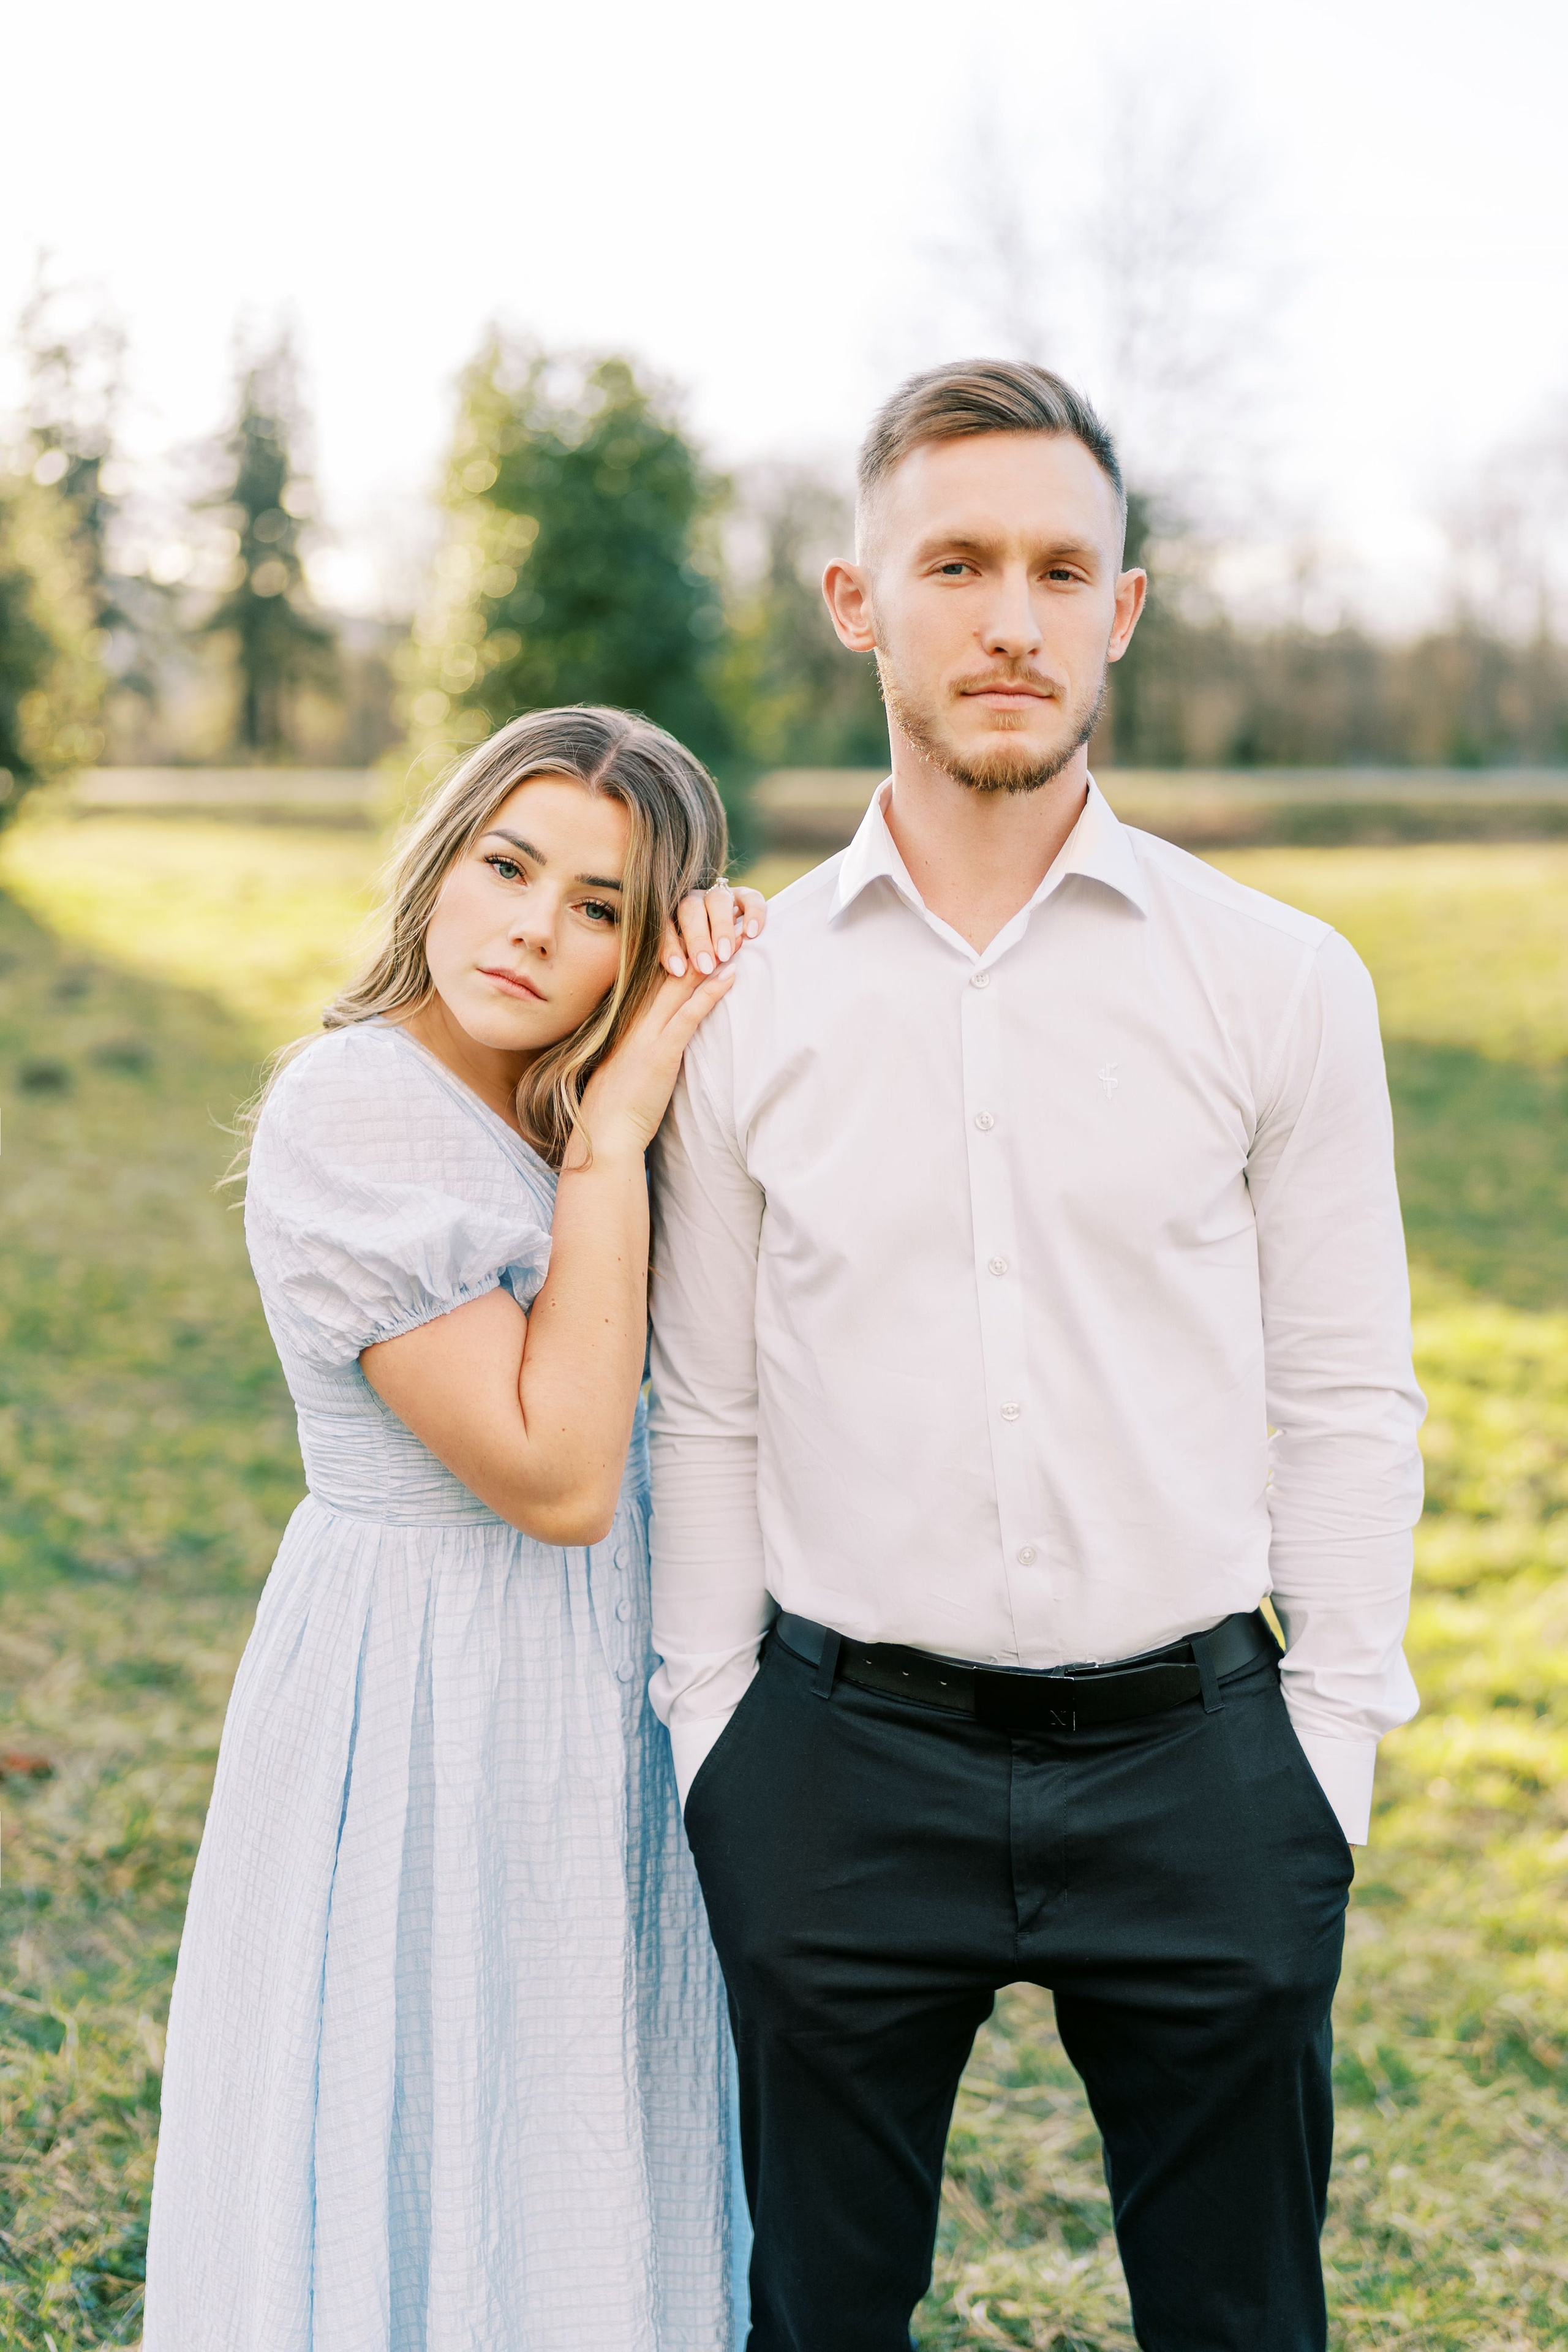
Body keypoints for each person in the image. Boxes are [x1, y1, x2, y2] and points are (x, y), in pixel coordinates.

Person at [647, 362, 1427, 2352]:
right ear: (857, 600)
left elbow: (1344, 1391)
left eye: (1062, 569)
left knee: (1242, 2319)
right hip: (837, 1764)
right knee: (816, 2318)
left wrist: (1322, 1755)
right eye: (959, 563)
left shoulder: (1274, 979)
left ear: (1124, 612)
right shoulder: (744, 1008)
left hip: (1202, 1766)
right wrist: (720, 1737)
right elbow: (712, 1404)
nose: (1011, 616)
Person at [146, 706, 765, 2352]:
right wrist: (623, 1133)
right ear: (446, 859)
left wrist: (644, 1099)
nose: (531, 930)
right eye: (509, 866)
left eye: (600, 909)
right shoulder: (358, 1111)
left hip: (606, 1692)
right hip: (422, 1682)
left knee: (577, 2094)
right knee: (424, 2098)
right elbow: (556, 1474)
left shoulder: (580, 1109)